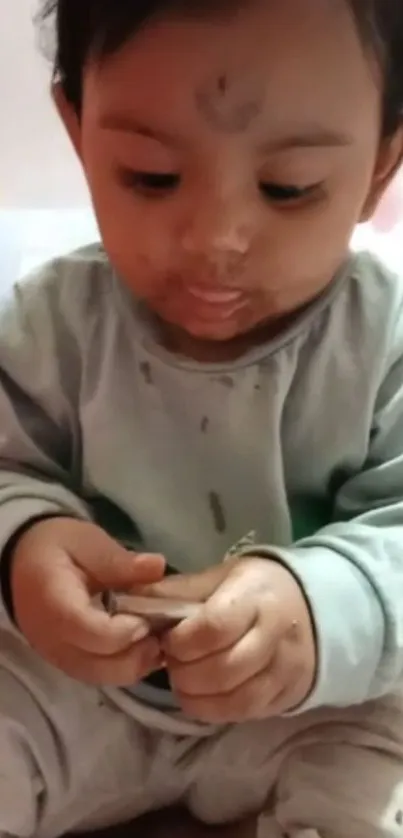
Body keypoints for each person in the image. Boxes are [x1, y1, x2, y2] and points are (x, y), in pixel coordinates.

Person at [1, 0, 403, 835]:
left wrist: (321, 606)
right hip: (72, 693)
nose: (216, 236)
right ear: (78, 132)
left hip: (320, 706)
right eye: (150, 176)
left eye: (287, 187)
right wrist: (26, 548)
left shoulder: (386, 343)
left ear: (378, 167)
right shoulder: (46, 329)